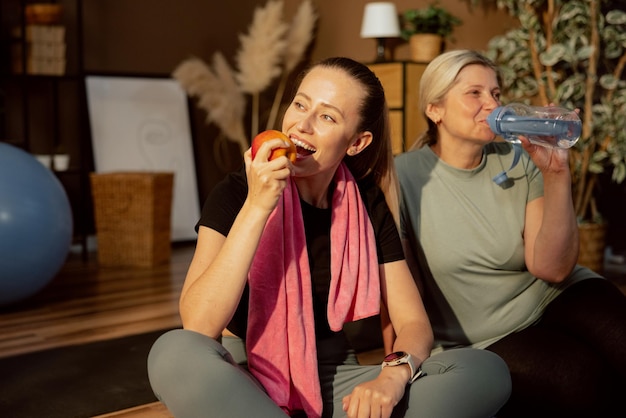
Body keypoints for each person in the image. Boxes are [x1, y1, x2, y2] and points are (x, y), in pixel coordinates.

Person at [147, 56, 511, 418]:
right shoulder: (238, 191)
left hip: (337, 378)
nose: (301, 125)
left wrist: (392, 378)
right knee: (174, 351)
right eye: (300, 104)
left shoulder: (367, 204)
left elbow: (413, 323)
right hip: (243, 376)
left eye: (326, 116)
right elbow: (199, 324)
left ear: (356, 143)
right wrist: (257, 206)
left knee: (484, 370)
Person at [394, 49, 626, 418]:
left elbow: (552, 269)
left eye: (496, 94)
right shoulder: (402, 178)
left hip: (557, 294)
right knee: (579, 377)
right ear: (435, 109)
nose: (491, 103)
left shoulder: (519, 156)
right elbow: (396, 290)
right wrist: (397, 376)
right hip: (488, 334)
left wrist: (555, 174)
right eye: (475, 93)